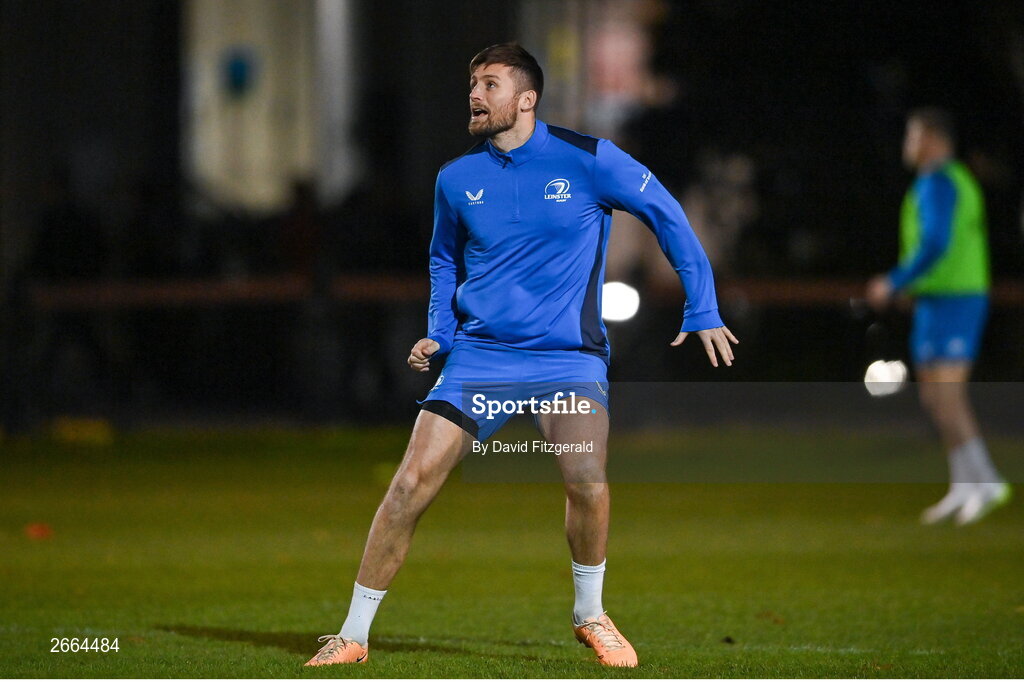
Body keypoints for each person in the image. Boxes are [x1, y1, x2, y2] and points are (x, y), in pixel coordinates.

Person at [306, 43, 737, 668]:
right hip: (481, 359)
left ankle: (591, 615)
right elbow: (442, 260)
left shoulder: (589, 160)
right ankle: (352, 633)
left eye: (490, 84)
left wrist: (702, 306)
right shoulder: (456, 178)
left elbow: (667, 214)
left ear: (526, 99)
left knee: (586, 480)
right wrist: (441, 331)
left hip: (568, 359)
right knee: (408, 485)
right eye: (472, 83)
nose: (475, 95)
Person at [866, 107, 1010, 526]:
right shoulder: (946, 180)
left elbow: (935, 244)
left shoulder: (939, 181)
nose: (907, 146)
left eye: (912, 136)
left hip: (956, 299)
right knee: (934, 396)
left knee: (948, 396)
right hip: (937, 299)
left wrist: (894, 282)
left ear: (932, 139)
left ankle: (987, 482)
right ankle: (963, 486)